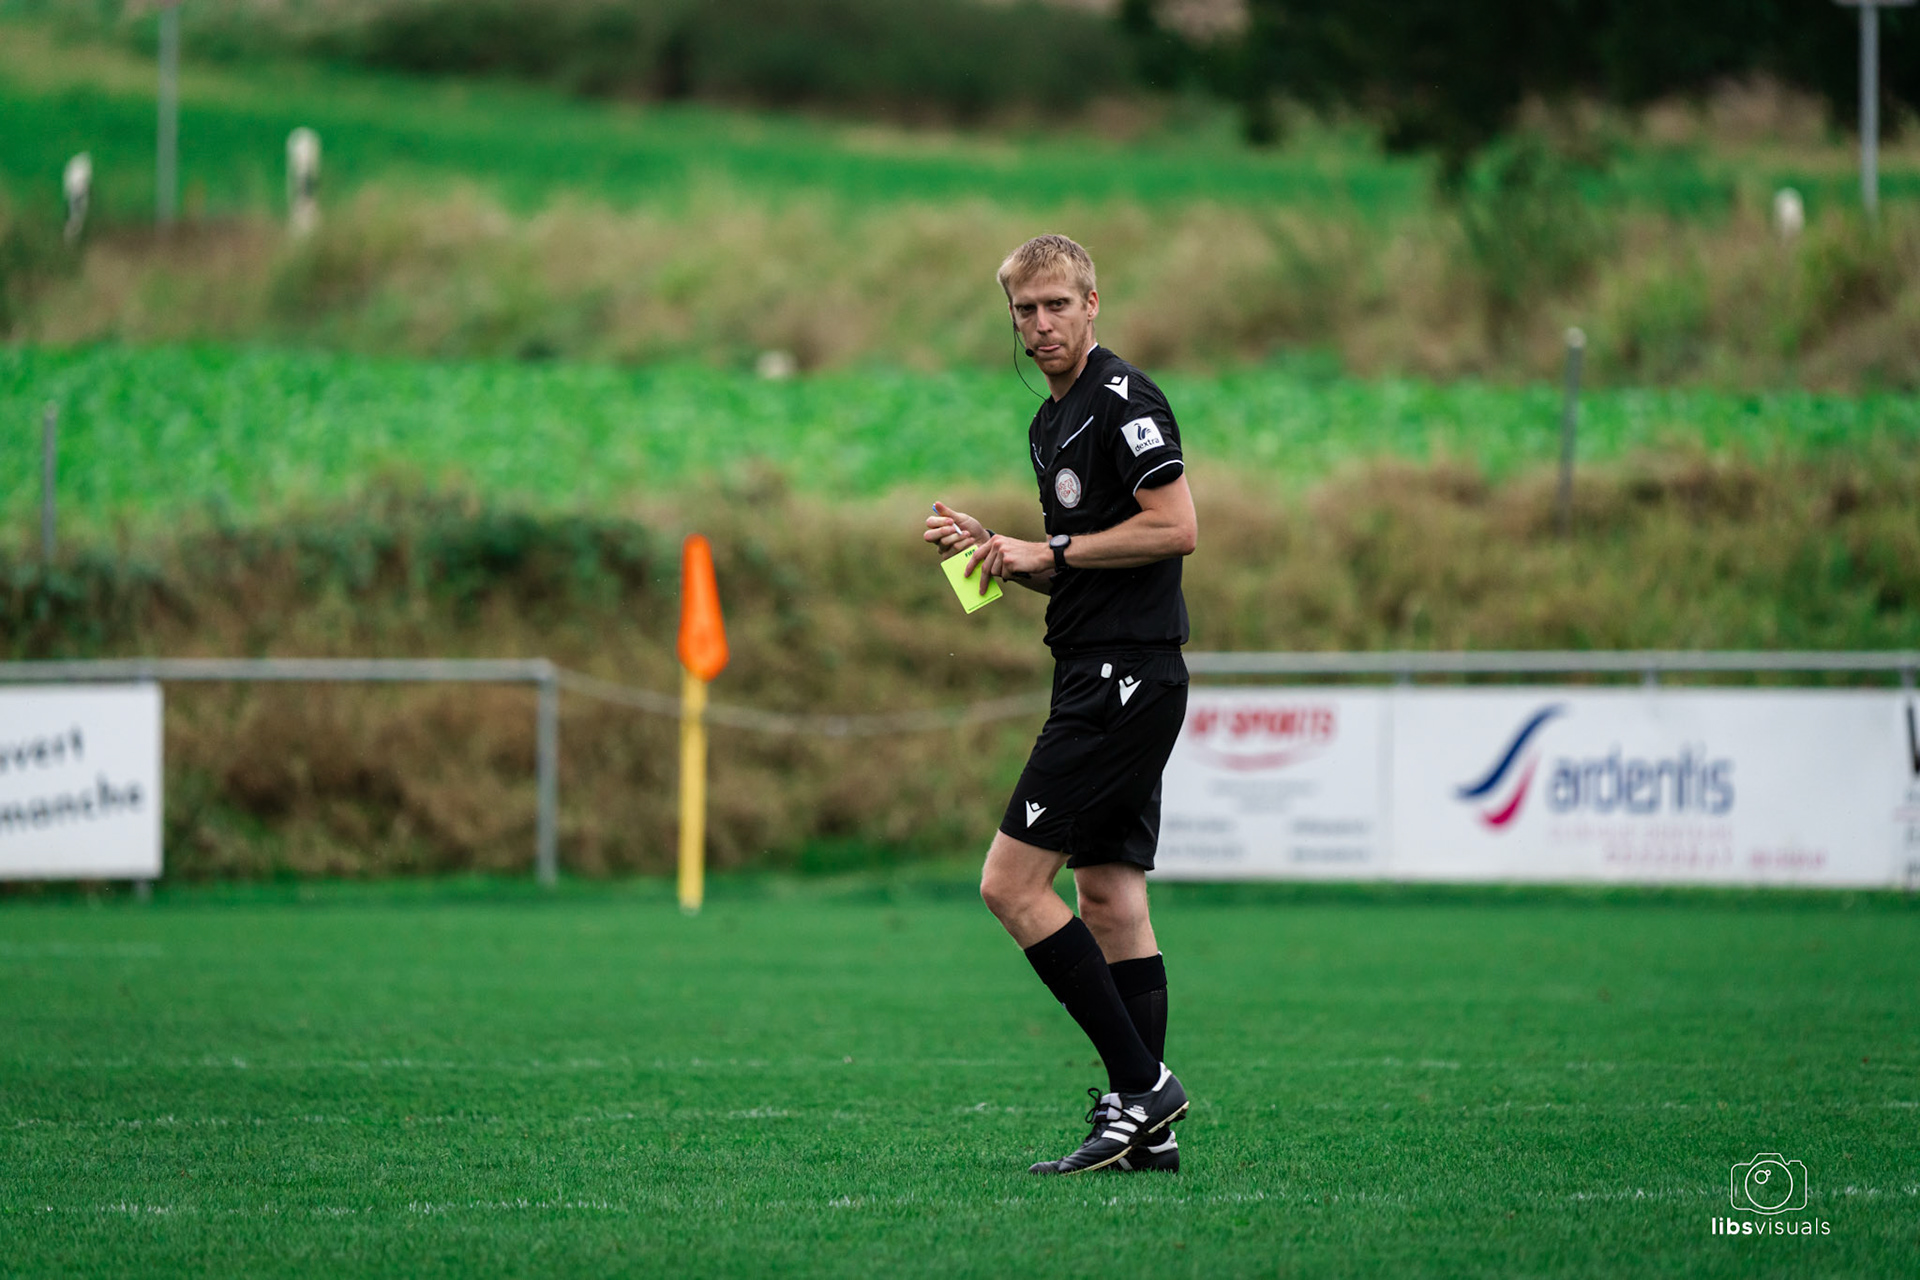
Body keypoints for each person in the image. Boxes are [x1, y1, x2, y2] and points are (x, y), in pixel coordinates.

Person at [925, 234, 1197, 1175]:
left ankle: (1142, 1087)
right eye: (1023, 313)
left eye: (1055, 307)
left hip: (1124, 680)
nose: (1039, 325)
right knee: (1111, 898)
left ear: (1092, 305)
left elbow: (1176, 527)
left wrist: (1056, 552)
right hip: (1100, 668)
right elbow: (1074, 569)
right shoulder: (1049, 425)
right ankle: (1145, 1137)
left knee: (1009, 885)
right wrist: (996, 552)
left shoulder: (1124, 401)